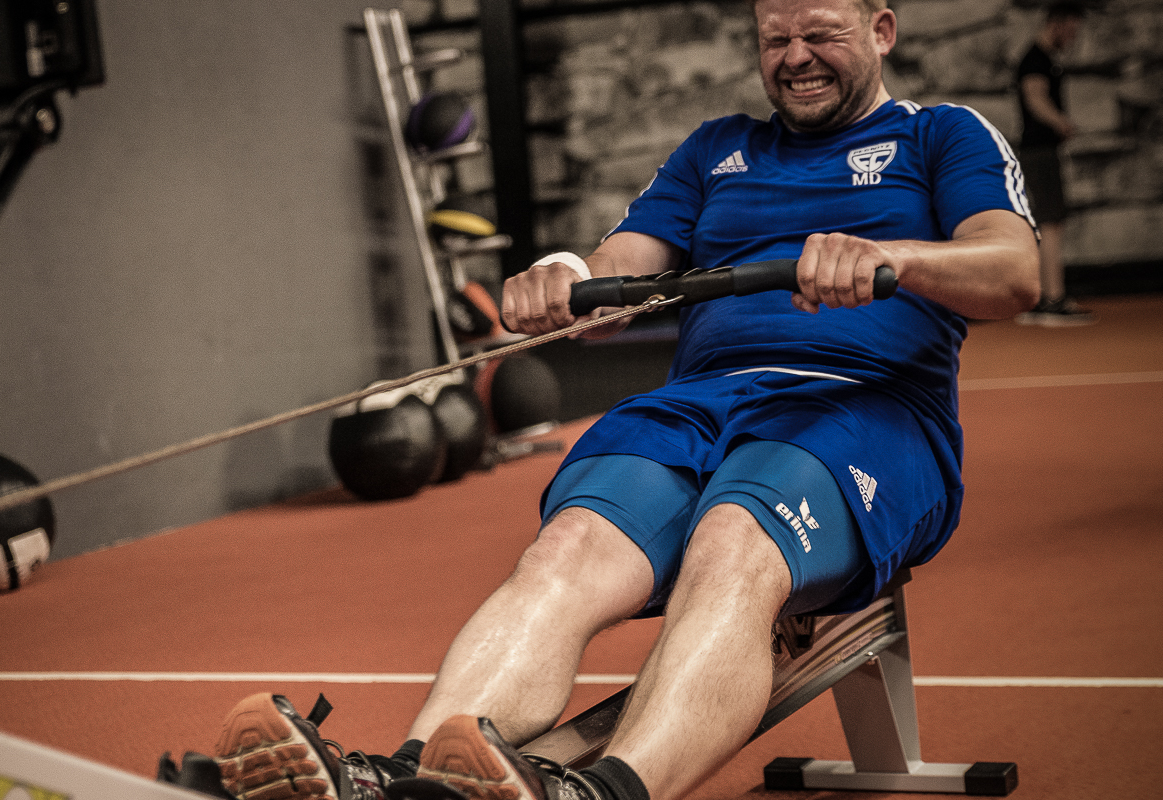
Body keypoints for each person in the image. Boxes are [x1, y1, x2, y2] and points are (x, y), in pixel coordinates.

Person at [198, 2, 1039, 800]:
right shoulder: (717, 149)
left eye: (820, 33)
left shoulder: (943, 136)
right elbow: (618, 269)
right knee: (566, 551)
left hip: (864, 409)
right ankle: (406, 774)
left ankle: (604, 791)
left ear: (882, 30)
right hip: (698, 408)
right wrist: (565, 280)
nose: (794, 59)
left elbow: (1013, 273)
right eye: (773, 39)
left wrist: (890, 258)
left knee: (735, 540)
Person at [1013, 1, 1093, 326]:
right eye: (1071, 28)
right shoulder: (1036, 59)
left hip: (1041, 152)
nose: (1073, 37)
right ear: (1057, 23)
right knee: (1051, 223)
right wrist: (1062, 123)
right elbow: (1034, 97)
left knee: (1046, 224)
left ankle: (1043, 298)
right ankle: (1052, 301)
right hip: (1039, 152)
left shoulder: (1043, 58)